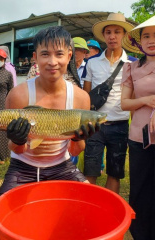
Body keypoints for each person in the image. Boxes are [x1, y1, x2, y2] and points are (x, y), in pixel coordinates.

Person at [0, 25, 99, 240]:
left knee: (88, 207)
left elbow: (76, 150)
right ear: (35, 57)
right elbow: (16, 149)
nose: (52, 62)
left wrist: (78, 138)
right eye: (45, 54)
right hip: (23, 166)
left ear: (69, 55)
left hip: (61, 165)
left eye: (59, 54)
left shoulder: (80, 98)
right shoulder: (18, 94)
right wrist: (18, 139)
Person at [82, 13, 134, 194]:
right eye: (109, 32)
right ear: (103, 36)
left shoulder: (132, 64)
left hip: (120, 125)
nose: (112, 36)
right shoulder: (91, 63)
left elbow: (133, 96)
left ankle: (109, 214)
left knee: (114, 173)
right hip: (95, 124)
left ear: (125, 35)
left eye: (117, 32)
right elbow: (86, 95)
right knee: (90, 172)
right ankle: (89, 212)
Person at [121, 15, 155, 239]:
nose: (151, 40)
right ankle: (141, 233)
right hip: (138, 138)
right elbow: (124, 103)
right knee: (141, 188)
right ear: (139, 42)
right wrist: (146, 100)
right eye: (146, 35)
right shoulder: (130, 68)